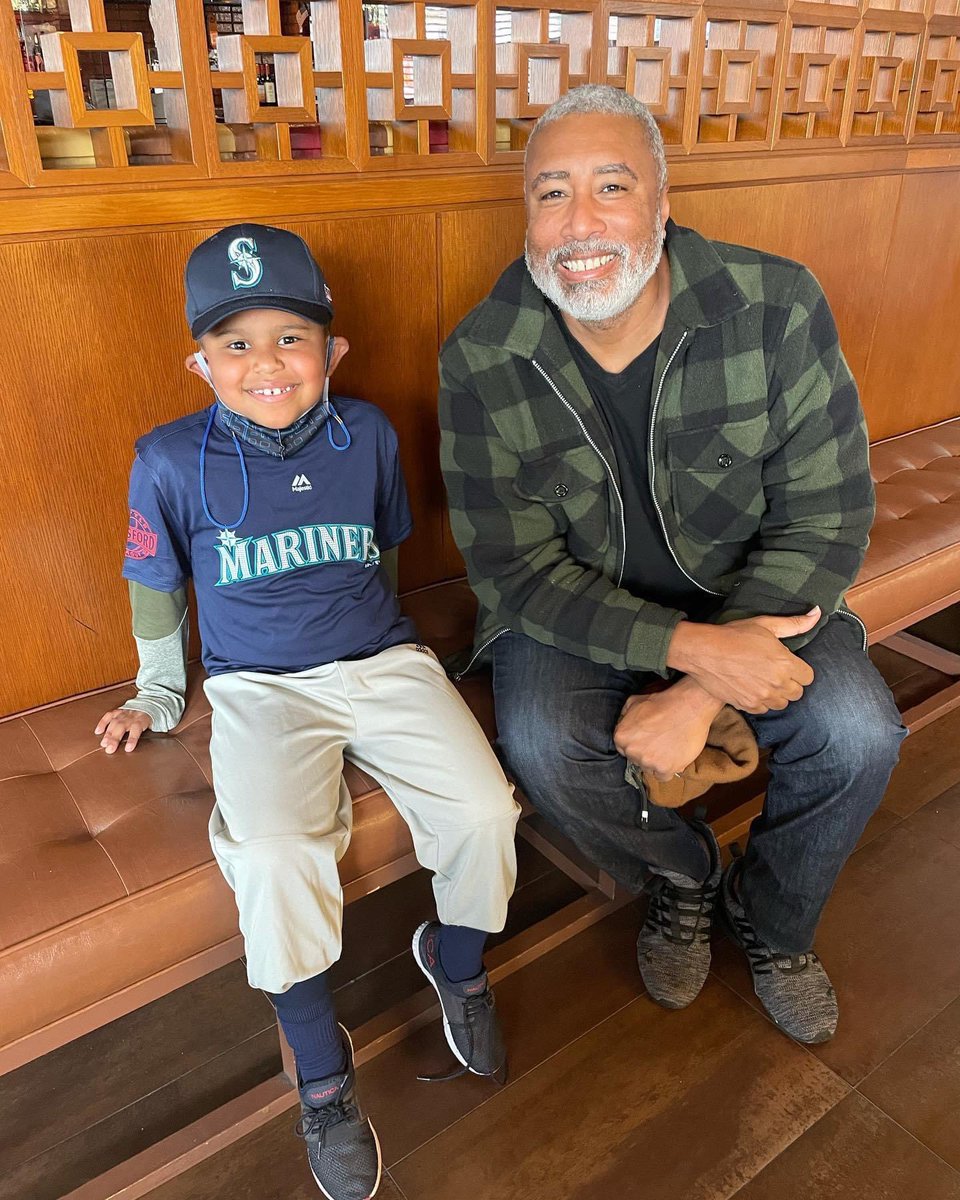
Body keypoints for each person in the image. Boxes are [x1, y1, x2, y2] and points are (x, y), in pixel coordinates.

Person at [438, 86, 906, 1047]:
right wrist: (692, 651)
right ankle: (682, 875)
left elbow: (828, 517)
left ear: (662, 200)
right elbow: (514, 574)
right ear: (527, 214)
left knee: (859, 734)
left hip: (757, 597)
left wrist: (698, 688)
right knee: (540, 740)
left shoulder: (773, 307)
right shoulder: (484, 356)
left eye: (611, 186)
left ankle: (772, 923)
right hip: (583, 610)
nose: (580, 223)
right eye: (551, 193)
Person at [96, 224, 520, 1200]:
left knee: (486, 812)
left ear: (330, 353)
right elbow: (156, 589)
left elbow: (382, 554)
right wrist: (160, 692)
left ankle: (455, 964)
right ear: (201, 363)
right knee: (278, 853)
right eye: (236, 344)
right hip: (258, 686)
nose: (266, 363)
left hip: (380, 659)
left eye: (289, 338)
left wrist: (398, 656)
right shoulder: (166, 459)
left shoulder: (366, 431)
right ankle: (321, 1079)